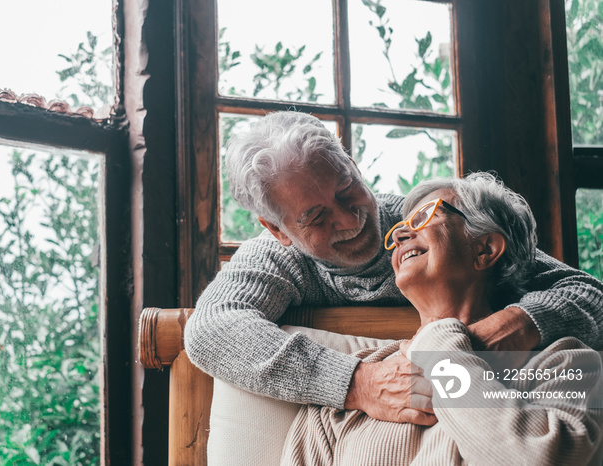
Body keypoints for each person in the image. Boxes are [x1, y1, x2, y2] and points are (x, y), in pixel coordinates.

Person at [184, 110, 603, 424]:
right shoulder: (274, 257)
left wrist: (509, 326)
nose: (350, 220)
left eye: (347, 189)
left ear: (352, 164)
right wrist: (358, 383)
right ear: (276, 230)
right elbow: (210, 330)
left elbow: (588, 294)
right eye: (315, 218)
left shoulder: (426, 224)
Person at [280, 173, 603, 465]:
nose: (402, 232)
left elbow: (535, 458)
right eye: (399, 229)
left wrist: (438, 337)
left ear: (486, 249)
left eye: (423, 217)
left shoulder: (566, 365)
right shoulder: (357, 389)